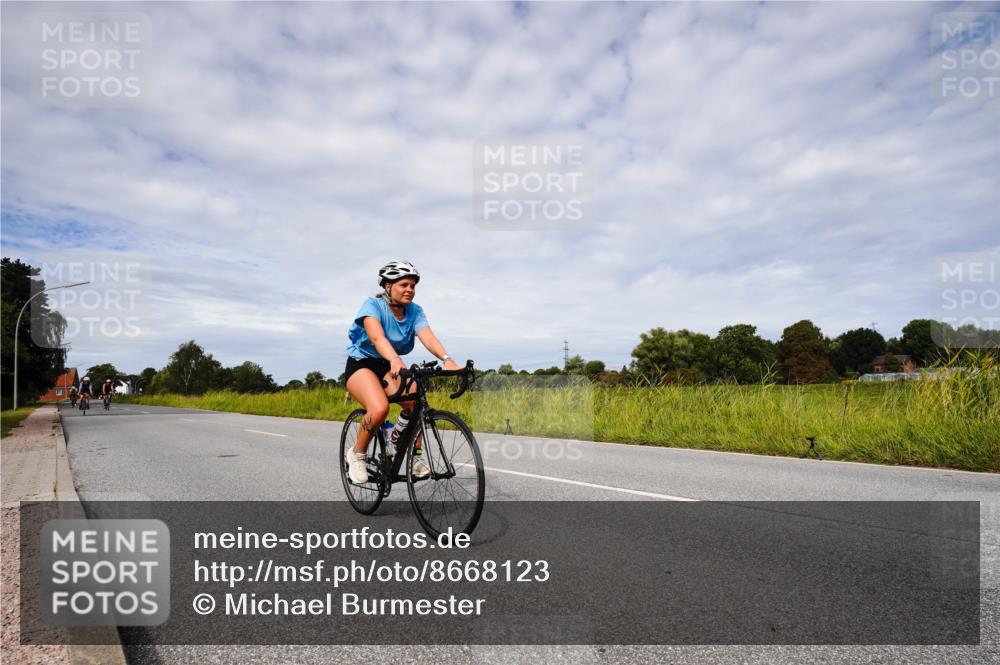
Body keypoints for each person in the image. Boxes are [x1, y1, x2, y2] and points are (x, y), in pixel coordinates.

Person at [343, 260, 460, 484]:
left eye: (413, 286)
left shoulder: (415, 311)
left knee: (415, 402)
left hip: (388, 363)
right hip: (363, 363)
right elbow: (377, 337)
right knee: (379, 409)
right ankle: (357, 453)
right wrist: (395, 359)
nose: (410, 290)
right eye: (404, 285)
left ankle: (406, 451)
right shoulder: (372, 306)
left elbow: (427, 336)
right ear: (388, 287)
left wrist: (447, 359)